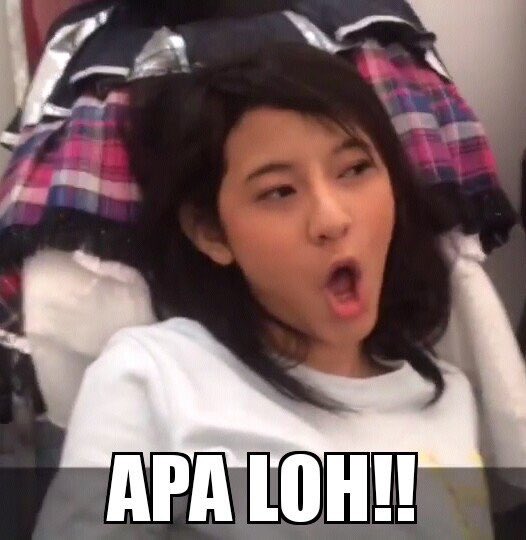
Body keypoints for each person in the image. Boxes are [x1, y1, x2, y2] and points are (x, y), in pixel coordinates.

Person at [35, 43, 493, 537]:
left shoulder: (449, 398)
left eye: (354, 169)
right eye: (279, 192)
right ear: (211, 232)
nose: (332, 219)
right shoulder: (155, 379)